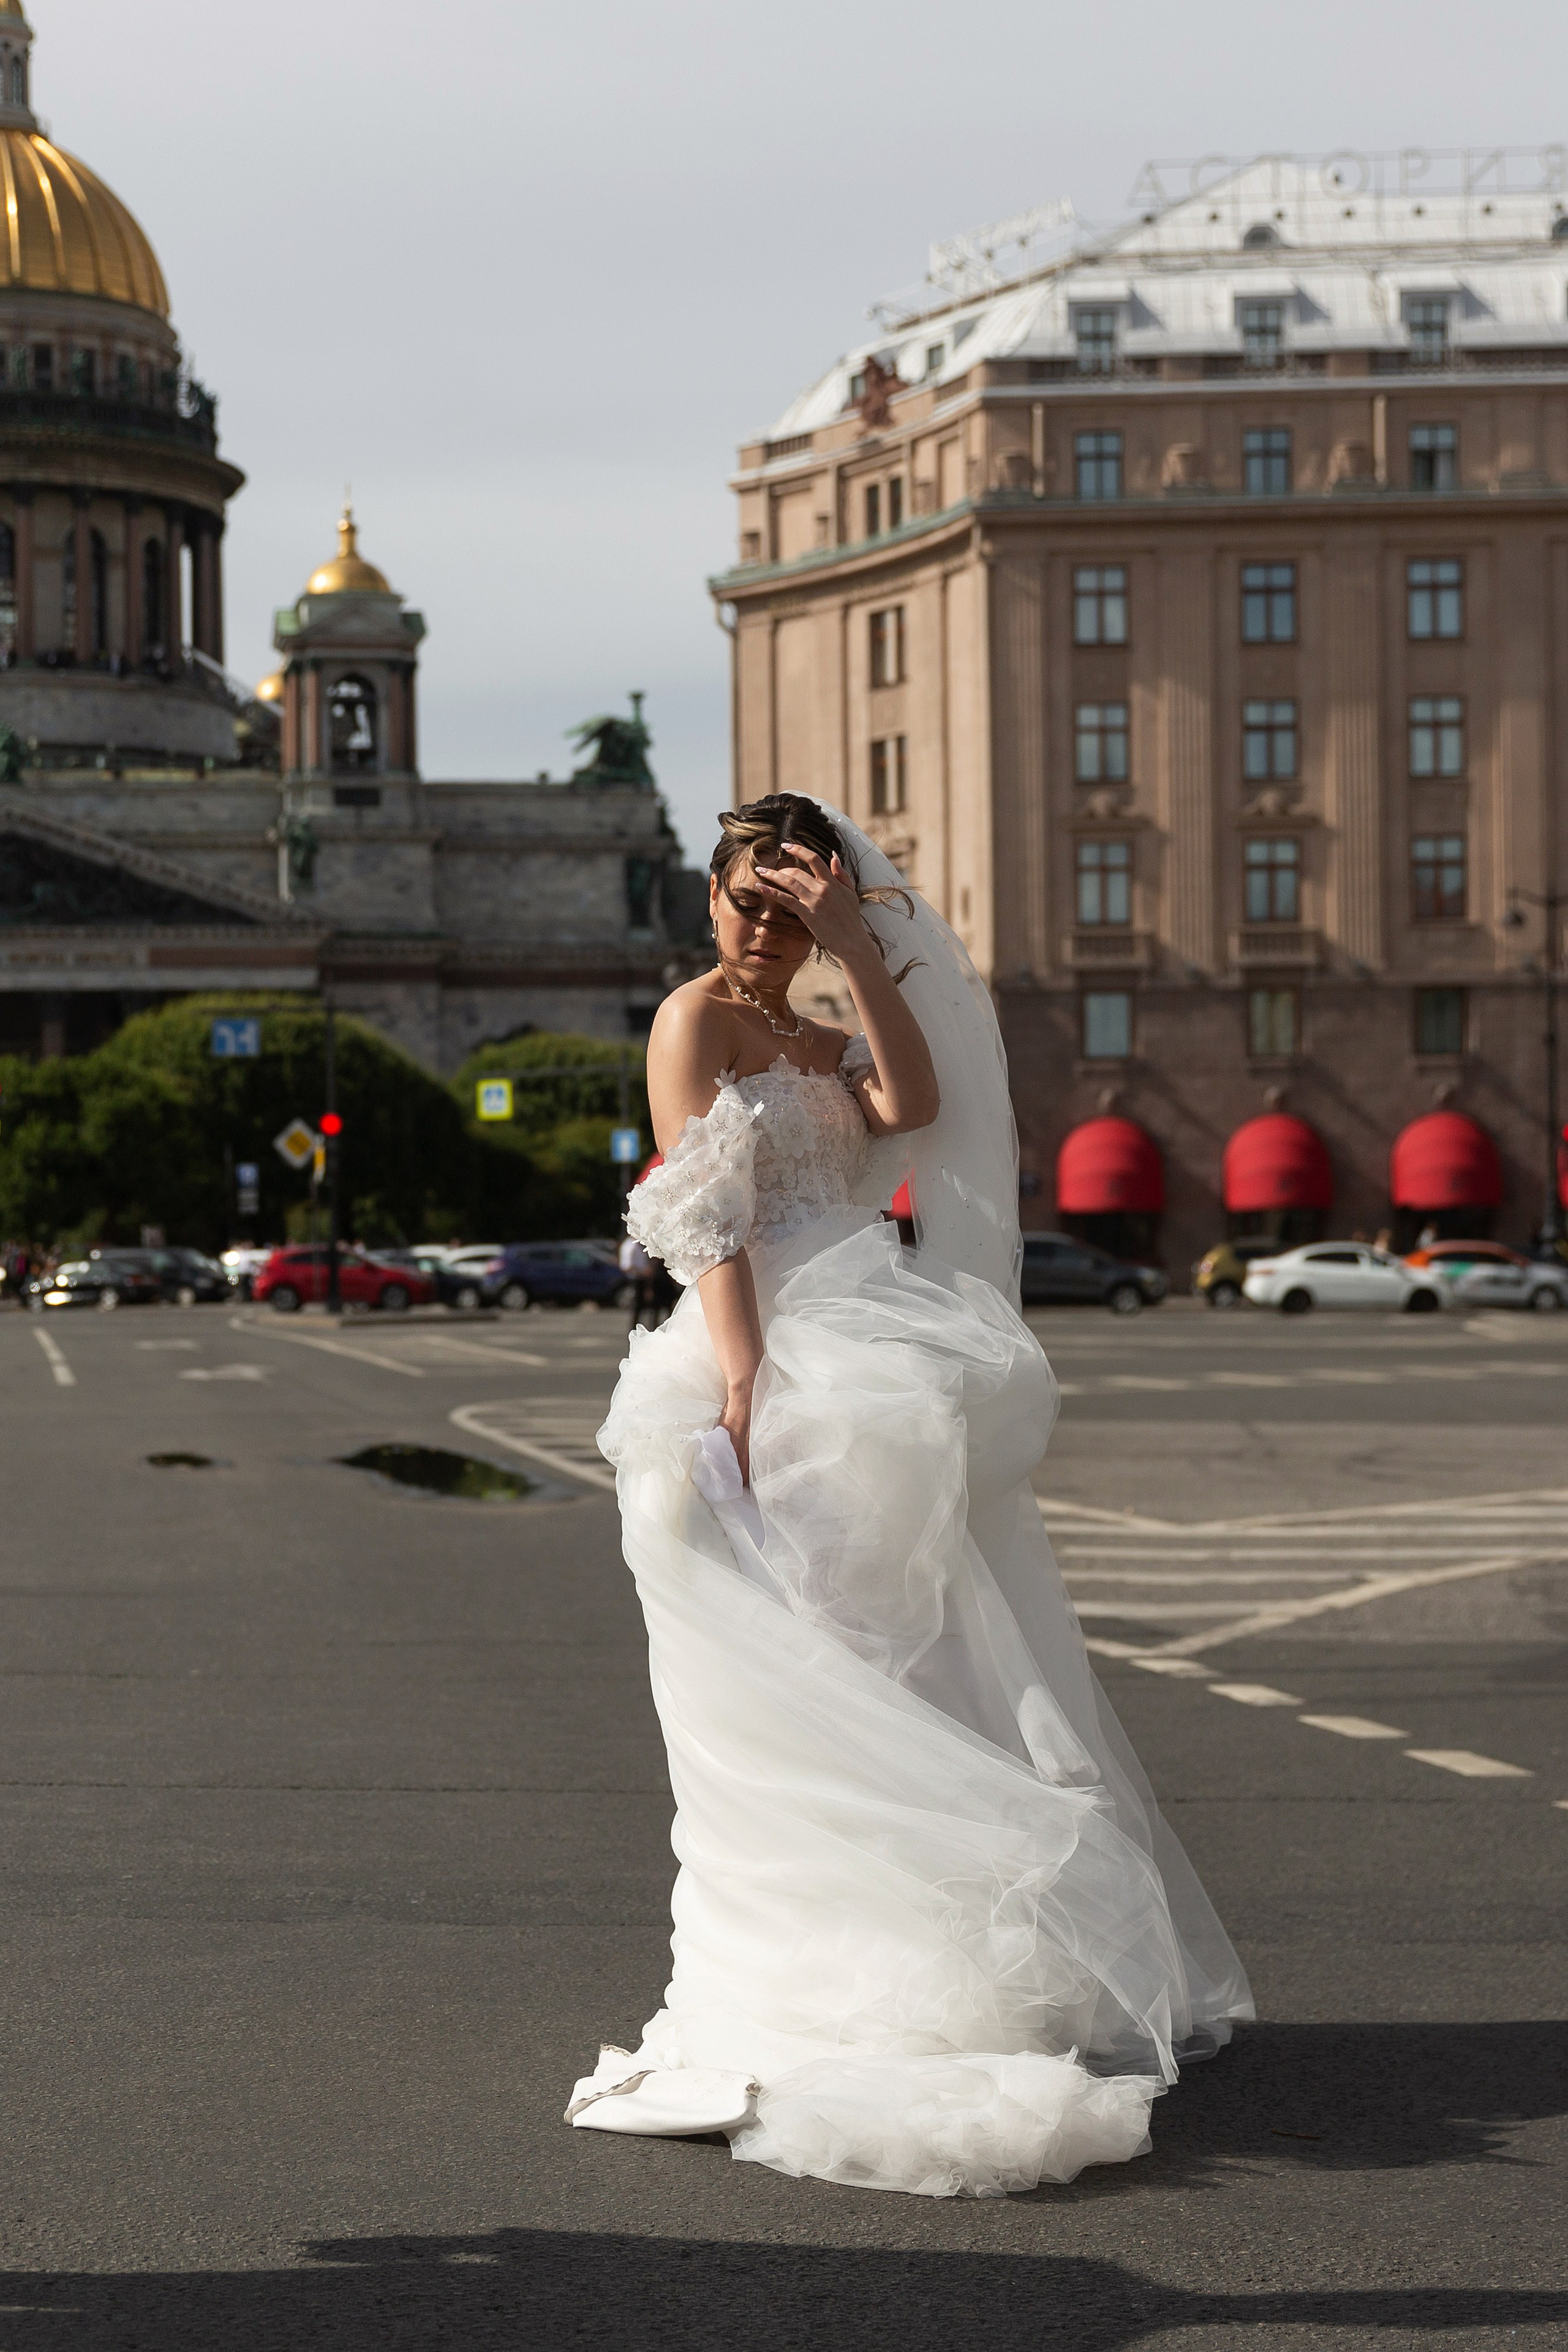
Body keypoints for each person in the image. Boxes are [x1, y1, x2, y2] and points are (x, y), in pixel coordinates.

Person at [567, 793, 1251, 2199]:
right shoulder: (690, 1019)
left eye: (790, 908)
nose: (763, 932)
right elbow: (702, 1215)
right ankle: (782, 1971)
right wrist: (748, 1388)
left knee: (902, 1667)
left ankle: (926, 1975)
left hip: (868, 1357)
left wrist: (855, 954)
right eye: (747, 903)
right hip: (760, 1357)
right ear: (707, 900)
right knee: (763, 1695)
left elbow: (913, 1107)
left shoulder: (817, 1028)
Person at [617, 1229, 655, 1332]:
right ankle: (634, 1328)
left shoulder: (635, 1245)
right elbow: (627, 1266)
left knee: (642, 1306)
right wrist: (644, 1272)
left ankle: (638, 1326)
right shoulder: (630, 1247)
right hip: (636, 1278)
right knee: (637, 1306)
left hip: (641, 1278)